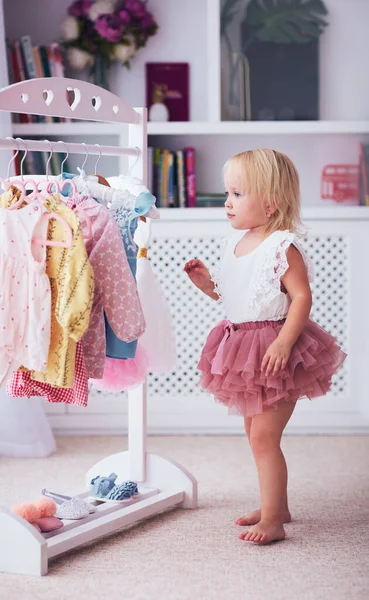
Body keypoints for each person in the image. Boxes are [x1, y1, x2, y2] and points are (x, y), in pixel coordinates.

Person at [184, 149, 347, 545]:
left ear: (271, 202)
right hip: (241, 348)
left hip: (275, 350)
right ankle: (278, 505)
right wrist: (207, 285)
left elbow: (301, 298)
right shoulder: (236, 243)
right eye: (228, 192)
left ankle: (273, 520)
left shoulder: (282, 246)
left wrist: (284, 342)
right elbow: (235, 296)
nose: (227, 202)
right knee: (252, 432)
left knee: (264, 437)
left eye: (238, 194)